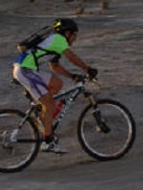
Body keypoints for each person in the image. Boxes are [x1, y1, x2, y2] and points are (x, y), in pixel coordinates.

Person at [13, 18, 97, 153]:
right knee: (49, 104)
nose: (75, 39)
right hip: (26, 70)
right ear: (68, 33)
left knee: (57, 84)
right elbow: (71, 57)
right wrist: (87, 69)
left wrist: (73, 76)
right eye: (74, 35)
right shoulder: (59, 39)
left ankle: (42, 113)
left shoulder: (53, 42)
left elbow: (55, 66)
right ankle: (47, 141)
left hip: (26, 69)